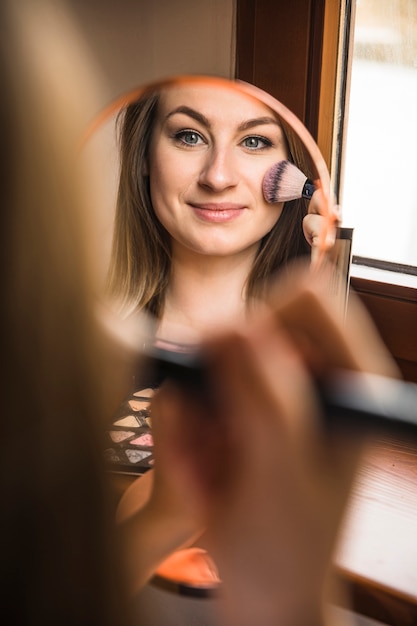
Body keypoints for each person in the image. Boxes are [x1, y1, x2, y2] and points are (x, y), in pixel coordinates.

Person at [0, 1, 400, 625]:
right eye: (188, 135)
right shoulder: (61, 359)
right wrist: (161, 515)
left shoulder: (315, 376)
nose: (218, 175)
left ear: (296, 177)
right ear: (144, 158)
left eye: (255, 142)